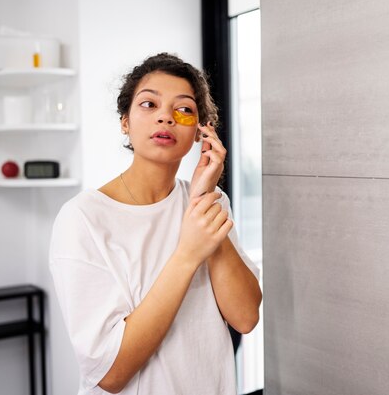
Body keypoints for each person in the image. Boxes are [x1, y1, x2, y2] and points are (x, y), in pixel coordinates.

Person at [49, 52, 262, 395]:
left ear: (199, 132)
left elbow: (245, 317)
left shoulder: (210, 203)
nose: (166, 117)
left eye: (184, 109)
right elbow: (111, 374)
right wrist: (188, 253)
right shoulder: (83, 218)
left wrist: (203, 199)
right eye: (149, 105)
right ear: (125, 122)